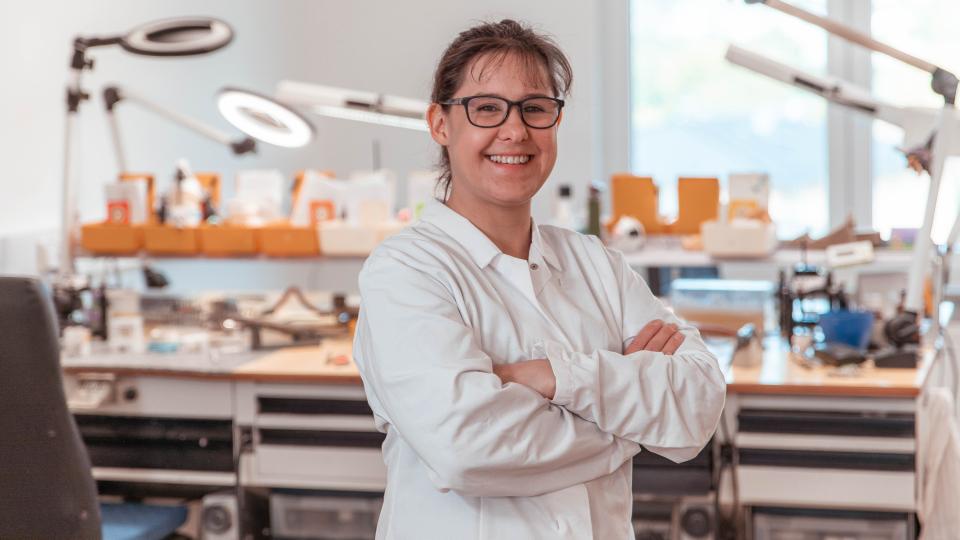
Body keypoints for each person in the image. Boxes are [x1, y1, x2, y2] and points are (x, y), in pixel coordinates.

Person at [353, 19, 726, 540]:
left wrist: (553, 376)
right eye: (486, 108)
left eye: (535, 108)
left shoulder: (596, 263)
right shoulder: (406, 270)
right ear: (440, 123)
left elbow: (698, 405)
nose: (515, 131)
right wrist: (632, 425)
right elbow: (467, 449)